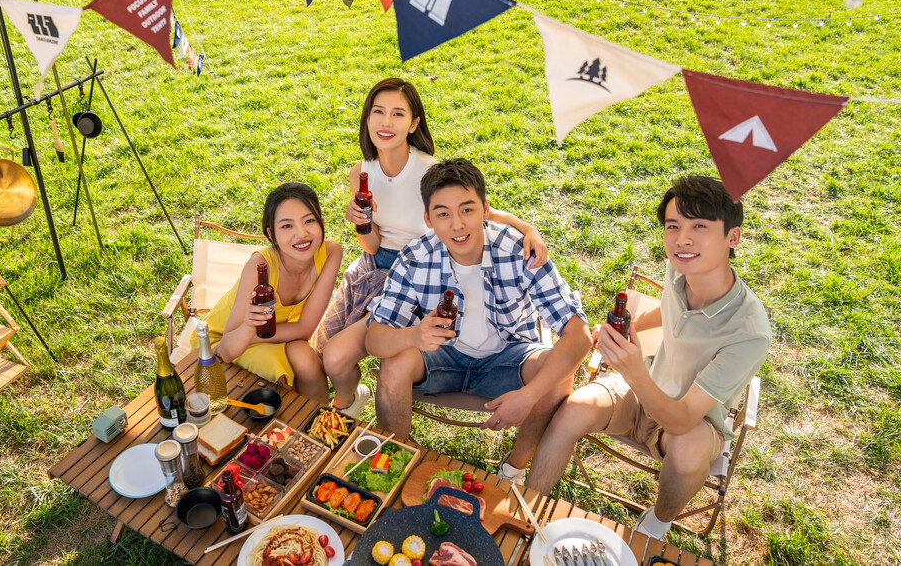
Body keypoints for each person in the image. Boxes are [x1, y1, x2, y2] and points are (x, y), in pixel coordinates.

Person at [526, 175, 772, 540]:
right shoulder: (682, 267)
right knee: (573, 407)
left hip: (691, 423)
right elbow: (668, 309)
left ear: (732, 237)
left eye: (699, 227)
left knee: (689, 453)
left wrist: (633, 368)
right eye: (673, 227)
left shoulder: (749, 332)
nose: (682, 240)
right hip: (640, 389)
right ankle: (527, 507)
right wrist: (631, 328)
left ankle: (656, 524)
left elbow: (682, 418)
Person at [315, 78, 550, 419]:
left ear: (413, 124)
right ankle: (353, 399)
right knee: (331, 357)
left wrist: (529, 230)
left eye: (398, 114)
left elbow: (484, 213)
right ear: (367, 119)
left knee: (348, 353)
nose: (386, 122)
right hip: (374, 268)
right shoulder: (361, 173)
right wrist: (359, 222)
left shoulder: (428, 171)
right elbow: (371, 244)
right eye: (378, 112)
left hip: (420, 276)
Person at [365, 159, 592, 483]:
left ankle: (514, 467)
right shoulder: (415, 257)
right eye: (443, 214)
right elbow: (375, 339)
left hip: (508, 357)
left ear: (486, 209)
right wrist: (413, 336)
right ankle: (399, 462)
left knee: (557, 378)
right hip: (442, 357)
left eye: (467, 210)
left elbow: (579, 336)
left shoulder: (520, 250)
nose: (457, 224)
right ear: (428, 219)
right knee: (394, 364)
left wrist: (528, 396)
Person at [206, 183, 342, 403]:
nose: (302, 233)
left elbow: (305, 329)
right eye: (287, 226)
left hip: (266, 336)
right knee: (277, 370)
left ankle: (320, 427)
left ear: (322, 223)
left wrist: (257, 335)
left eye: (309, 221)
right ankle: (288, 430)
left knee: (306, 357)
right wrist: (250, 329)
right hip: (228, 338)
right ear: (272, 235)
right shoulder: (260, 267)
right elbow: (226, 350)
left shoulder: (331, 253)